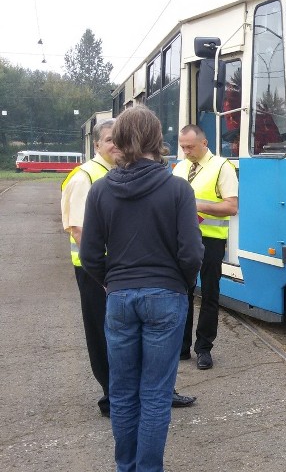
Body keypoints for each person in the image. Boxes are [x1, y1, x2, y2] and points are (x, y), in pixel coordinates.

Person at [79, 105, 204, 471]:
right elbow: (192, 252)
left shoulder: (100, 190)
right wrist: (179, 284)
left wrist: (112, 282)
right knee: (155, 394)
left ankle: (125, 466)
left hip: (119, 299)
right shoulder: (177, 188)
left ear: (118, 141)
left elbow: (89, 254)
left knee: (122, 391)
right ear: (156, 139)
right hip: (166, 297)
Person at [60, 119, 119, 417]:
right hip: (95, 269)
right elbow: (79, 230)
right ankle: (110, 396)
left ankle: (121, 391)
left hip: (112, 267)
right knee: (101, 331)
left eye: (119, 139)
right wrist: (103, 272)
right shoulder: (85, 177)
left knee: (118, 331)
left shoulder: (112, 173)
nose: (115, 145)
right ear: (96, 145)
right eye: (109, 140)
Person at [174, 125, 239, 370]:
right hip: (182, 239)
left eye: (190, 146)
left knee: (209, 294)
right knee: (182, 293)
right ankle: (181, 347)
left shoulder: (223, 167)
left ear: (205, 143)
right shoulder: (180, 167)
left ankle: (203, 348)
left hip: (210, 240)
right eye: (182, 147)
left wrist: (195, 203)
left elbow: (231, 207)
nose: (186, 151)